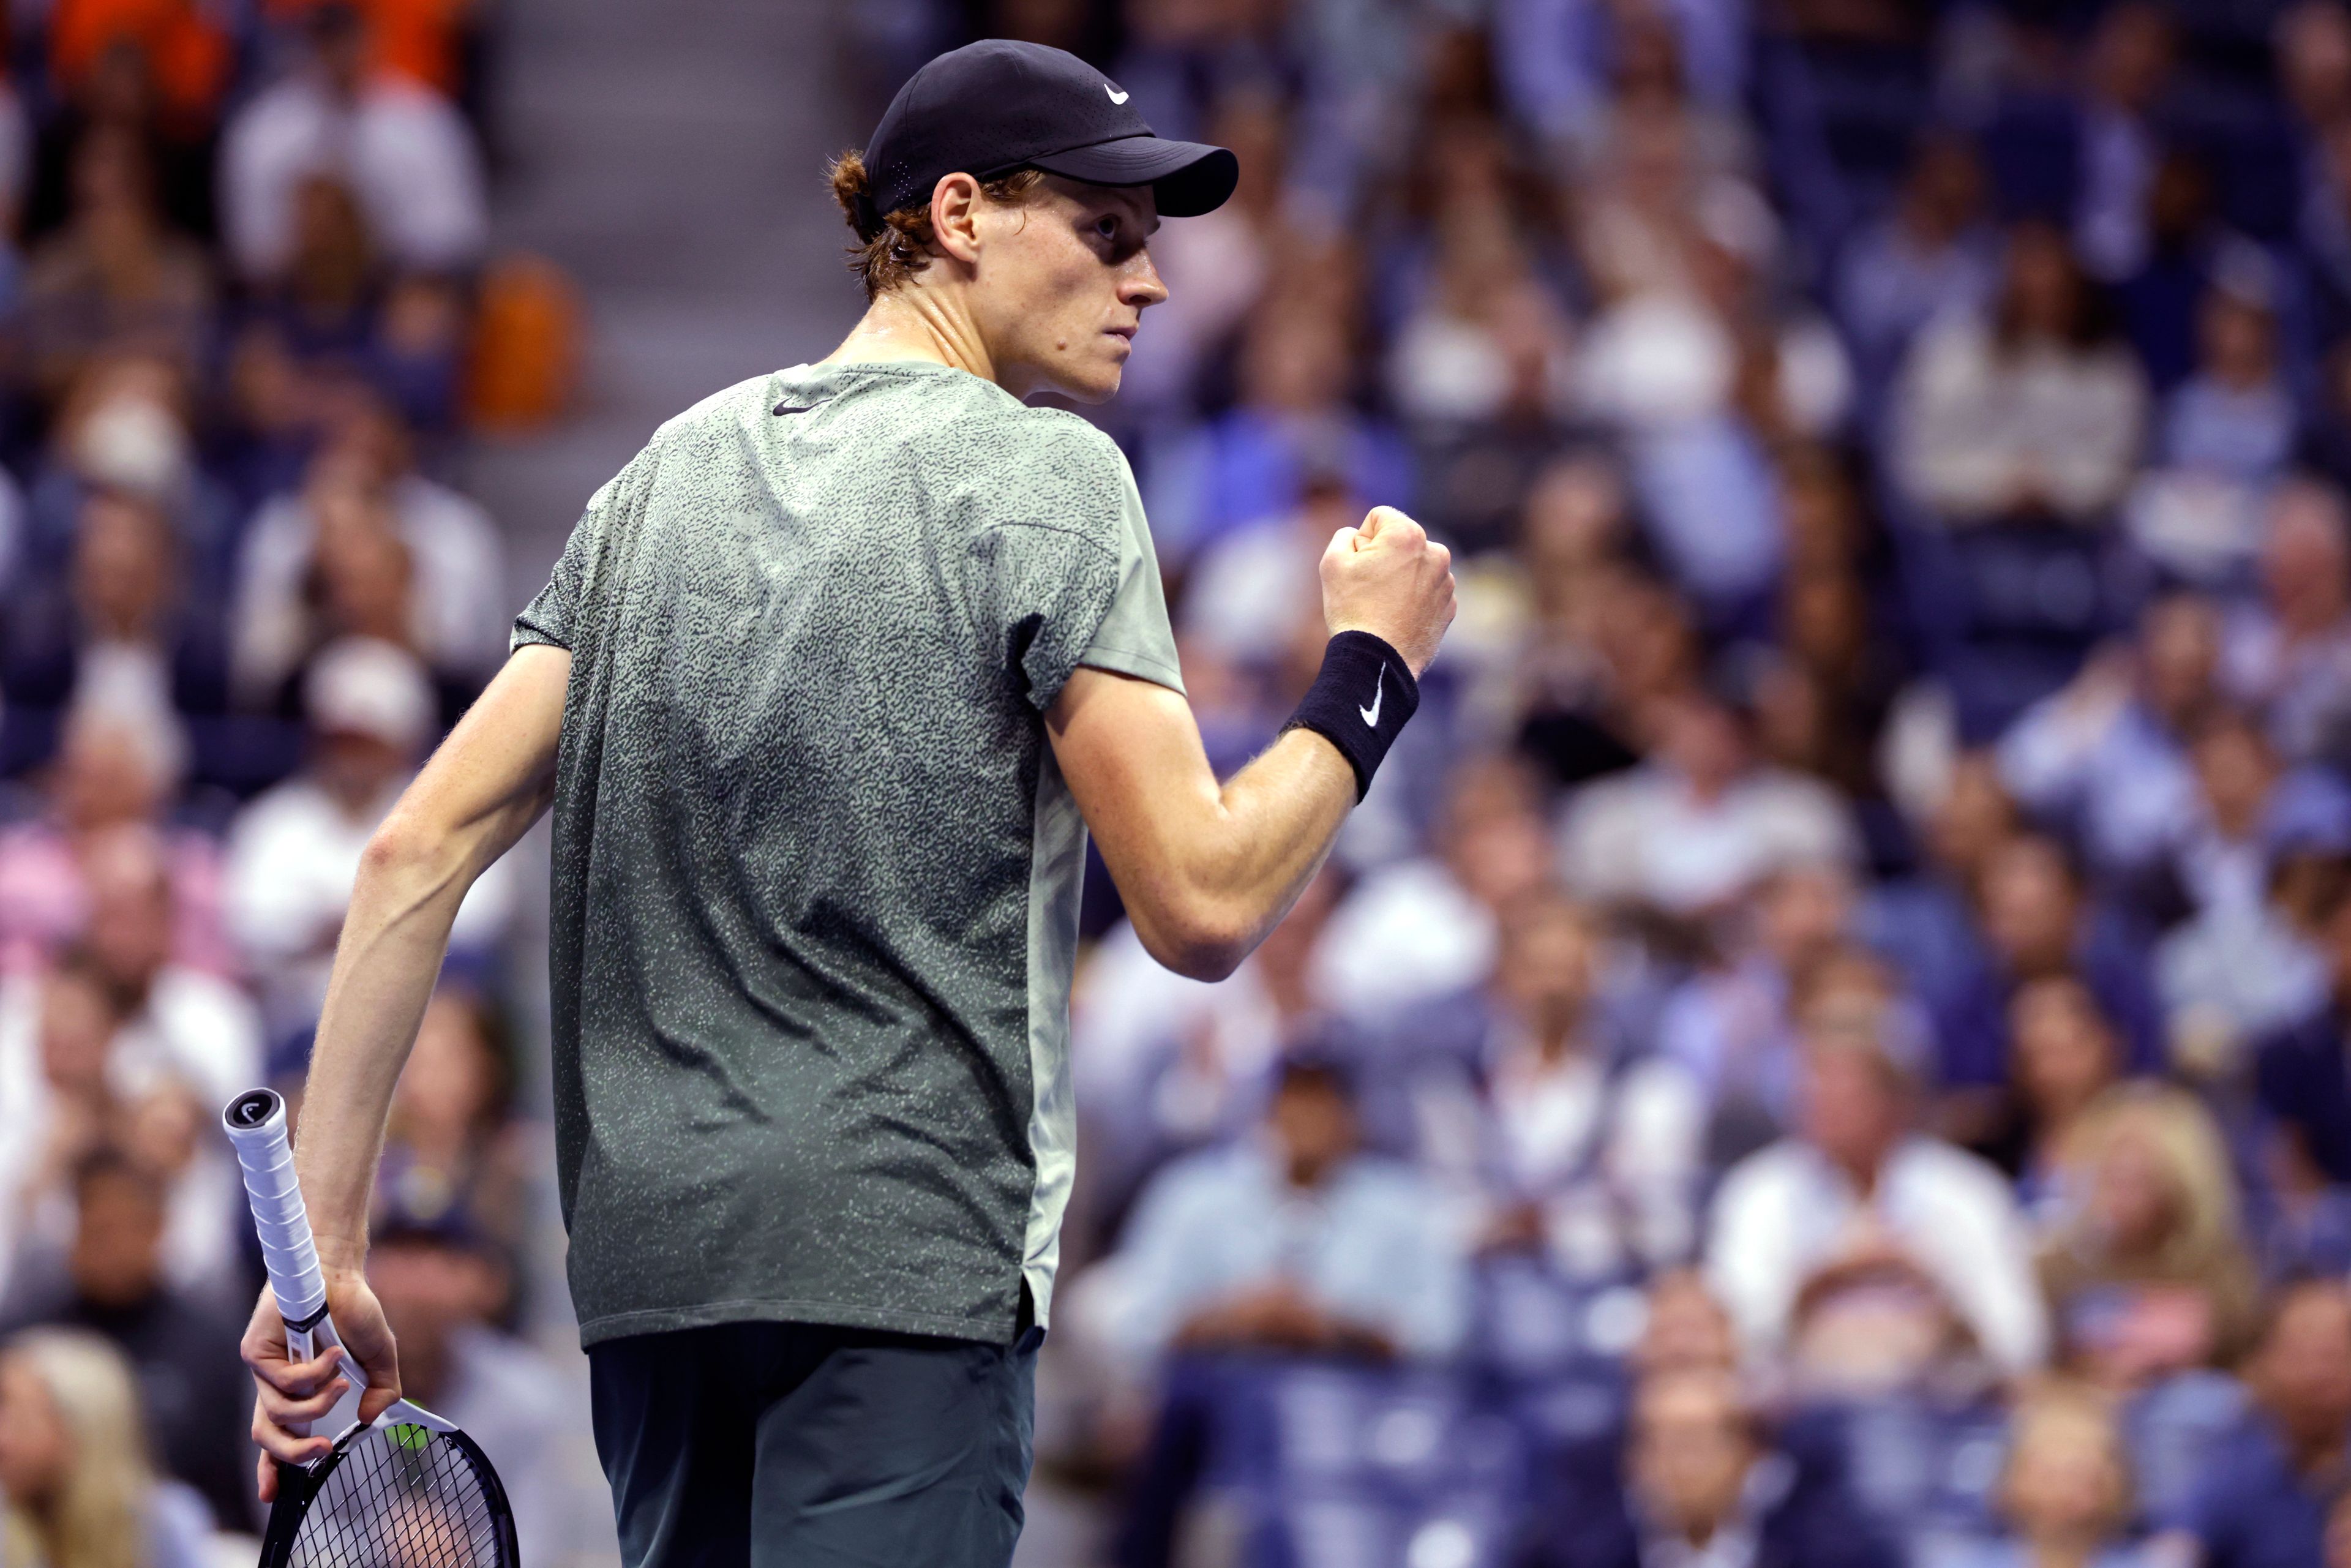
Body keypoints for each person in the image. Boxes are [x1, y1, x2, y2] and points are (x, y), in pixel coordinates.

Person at [242, 37, 1457, 1568]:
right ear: (960, 215)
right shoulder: (1051, 477)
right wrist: (1368, 669)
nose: (1145, 284)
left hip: (654, 1283)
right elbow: (1203, 901)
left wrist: (332, 1241)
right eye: (1106, 234)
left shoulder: (653, 482)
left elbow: (413, 850)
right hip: (900, 1262)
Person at [1705, 1003, 2049, 1376]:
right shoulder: (1760, 1193)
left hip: (1941, 1405)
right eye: (1813, 1087)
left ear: (1897, 1102)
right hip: (1800, 1409)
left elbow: (2021, 1341)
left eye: (1845, 1091)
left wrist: (1934, 1285)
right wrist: (1816, 1284)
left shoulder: (1964, 1192)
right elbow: (1731, 1334)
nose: (1823, 1103)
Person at [0, 1149, 251, 1531]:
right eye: (96, 1227)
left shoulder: (213, 1345)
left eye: (123, 1226)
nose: (108, 1247)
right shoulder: (25, 1338)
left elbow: (230, 1491)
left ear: (159, 1226)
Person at [1513, 1365, 1899, 1568]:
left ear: (1750, 1456)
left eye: (1698, 1441)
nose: (1681, 1464)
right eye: (1662, 1443)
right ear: (1634, 1462)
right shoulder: (1567, 1554)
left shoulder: (1828, 1552)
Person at [0, 1326, 214, 1568]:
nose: (3, 1440)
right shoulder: (7, 1528)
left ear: (78, 1429)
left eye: (20, 1420)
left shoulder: (164, 1525)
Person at [2172, 1280, 2351, 1567]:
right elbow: (2179, 1548)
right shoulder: (2233, 1460)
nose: (2318, 1373)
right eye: (2300, 1354)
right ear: (2265, 1362)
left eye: (2333, 1354)